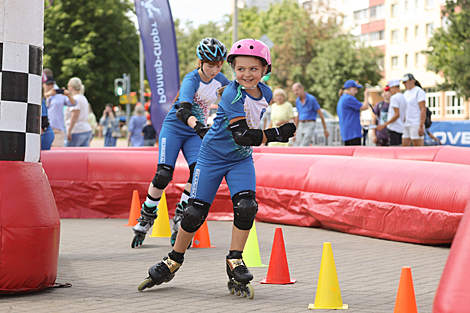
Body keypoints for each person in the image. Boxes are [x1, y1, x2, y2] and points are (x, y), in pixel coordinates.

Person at [137, 39, 296, 298]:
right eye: (241, 69)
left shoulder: (266, 93)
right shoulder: (232, 93)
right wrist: (277, 133)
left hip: (241, 159)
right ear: (234, 70)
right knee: (194, 213)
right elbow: (242, 135)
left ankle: (235, 259)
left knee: (246, 207)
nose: (246, 74)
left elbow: (249, 132)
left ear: (265, 70)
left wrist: (270, 132)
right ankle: (174, 259)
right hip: (212, 156)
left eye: (253, 69)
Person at [131, 37, 230, 249]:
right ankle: (147, 214)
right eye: (211, 65)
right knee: (164, 173)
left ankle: (182, 211)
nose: (215, 70)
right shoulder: (191, 79)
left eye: (219, 65)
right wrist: (199, 126)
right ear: (200, 62)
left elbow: (237, 98)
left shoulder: (221, 81)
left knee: (197, 173)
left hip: (196, 131)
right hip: (176, 127)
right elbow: (183, 110)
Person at [43, 74, 76, 147]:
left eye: (52, 84)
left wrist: (68, 95)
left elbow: (74, 103)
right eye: (48, 84)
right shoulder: (40, 95)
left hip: (57, 129)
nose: (50, 86)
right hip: (43, 129)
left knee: (56, 153)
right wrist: (47, 94)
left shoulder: (59, 96)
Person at [336, 80, 370, 146]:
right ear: (350, 88)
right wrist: (366, 95)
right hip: (353, 133)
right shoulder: (349, 98)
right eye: (355, 89)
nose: (356, 92)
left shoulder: (343, 98)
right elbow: (365, 106)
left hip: (347, 133)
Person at [376, 79, 407, 146]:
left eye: (390, 89)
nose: (389, 91)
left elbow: (397, 114)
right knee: (399, 147)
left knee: (394, 150)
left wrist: (384, 125)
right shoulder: (403, 97)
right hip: (400, 128)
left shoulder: (394, 98)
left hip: (394, 128)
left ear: (394, 87)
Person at [64, 77, 92, 147]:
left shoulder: (76, 99)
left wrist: (69, 131)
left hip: (76, 130)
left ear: (71, 87)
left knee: (69, 155)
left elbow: (74, 116)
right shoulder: (83, 97)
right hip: (86, 129)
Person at [401, 73, 427, 147]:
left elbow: (423, 109)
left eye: (405, 82)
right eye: (403, 82)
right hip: (406, 123)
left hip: (415, 123)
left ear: (412, 80)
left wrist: (421, 125)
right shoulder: (405, 93)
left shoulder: (418, 91)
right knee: (404, 146)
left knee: (417, 147)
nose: (404, 84)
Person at [41, 73, 54, 150]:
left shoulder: (40, 99)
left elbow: (43, 121)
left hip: (45, 133)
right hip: (46, 132)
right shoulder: (43, 97)